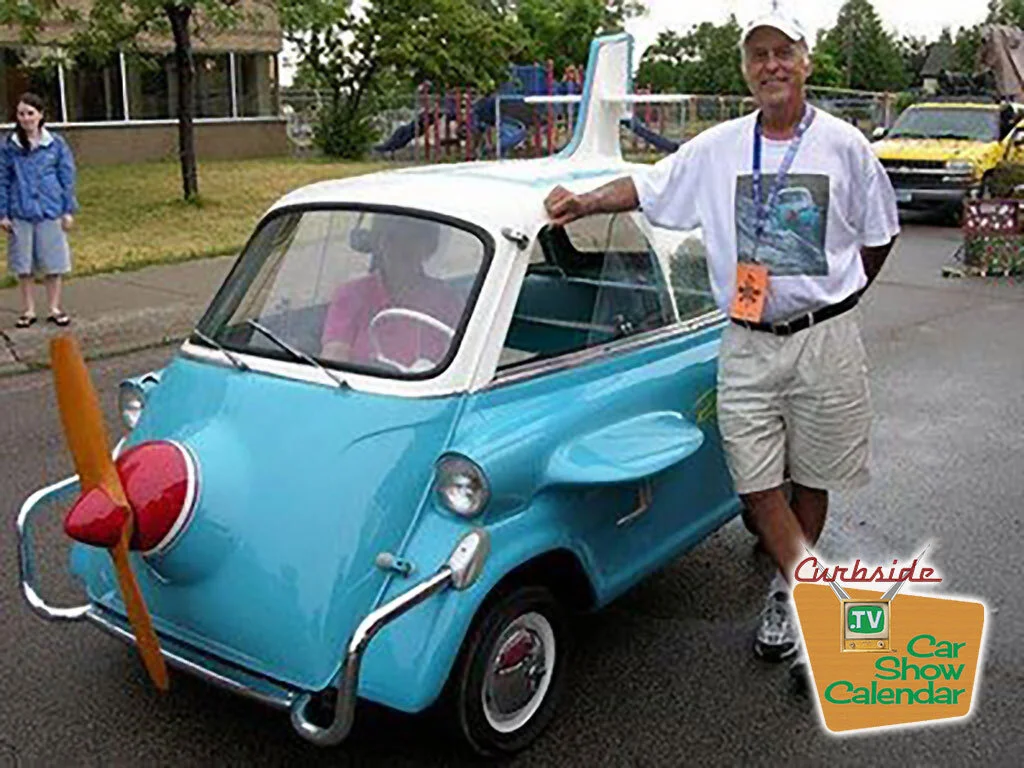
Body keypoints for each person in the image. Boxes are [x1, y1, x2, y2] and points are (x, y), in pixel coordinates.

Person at [544, 7, 899, 687]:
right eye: (758, 55)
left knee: (812, 477)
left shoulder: (845, 145)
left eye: (783, 52)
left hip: (824, 338)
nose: (772, 65)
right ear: (746, 69)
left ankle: (788, 592)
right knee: (756, 484)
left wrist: (840, 297)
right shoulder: (719, 147)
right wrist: (583, 202)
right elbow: (647, 186)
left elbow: (881, 234)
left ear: (806, 62)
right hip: (746, 340)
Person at [320, 214, 461, 372]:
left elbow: (460, 360)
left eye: (412, 239)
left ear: (428, 246)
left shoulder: (446, 299)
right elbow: (333, 358)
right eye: (391, 238)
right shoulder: (350, 294)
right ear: (378, 243)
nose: (401, 248)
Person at [0, 92, 78, 328]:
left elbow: (67, 177)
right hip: (21, 210)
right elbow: (2, 180)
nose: (26, 118)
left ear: (41, 115)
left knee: (54, 263)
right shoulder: (9, 146)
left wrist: (67, 210)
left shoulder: (55, 144)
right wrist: (3, 213)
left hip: (50, 209)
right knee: (24, 265)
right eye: (21, 114)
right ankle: (28, 310)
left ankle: (54, 308)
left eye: (30, 113)